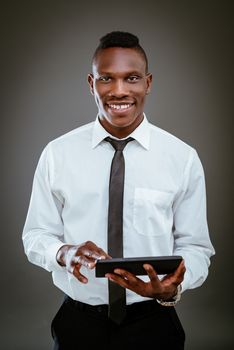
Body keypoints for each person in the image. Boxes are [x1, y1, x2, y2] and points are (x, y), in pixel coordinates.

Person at [22, 31, 215, 350]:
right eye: (106, 78)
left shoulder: (182, 158)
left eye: (133, 78)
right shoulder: (58, 154)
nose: (119, 90)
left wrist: (171, 289)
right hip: (78, 323)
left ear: (148, 83)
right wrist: (62, 252)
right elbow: (36, 234)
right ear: (91, 83)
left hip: (154, 322)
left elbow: (195, 246)